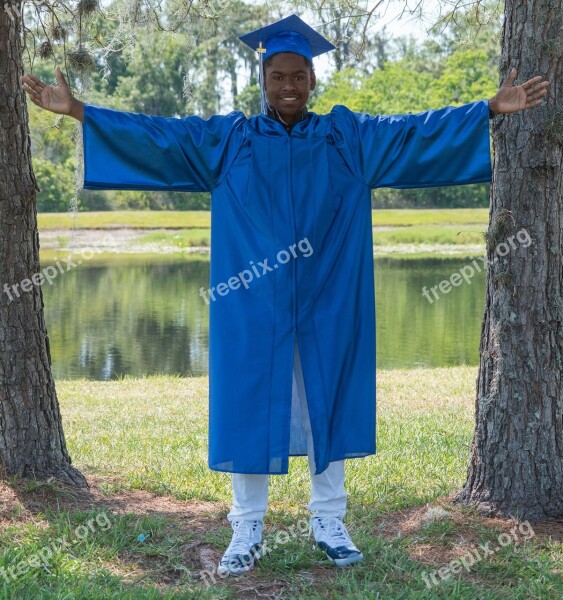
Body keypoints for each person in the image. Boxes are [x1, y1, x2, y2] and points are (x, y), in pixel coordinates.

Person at [21, 13, 548, 577]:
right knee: (249, 405)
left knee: (329, 400)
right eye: (278, 76)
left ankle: (329, 520)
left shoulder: (347, 137)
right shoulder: (229, 142)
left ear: (313, 80)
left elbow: (412, 130)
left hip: (328, 298)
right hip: (252, 304)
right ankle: (246, 527)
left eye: (299, 76)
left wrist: (488, 110)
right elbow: (160, 137)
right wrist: (79, 111)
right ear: (263, 80)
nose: (289, 86)